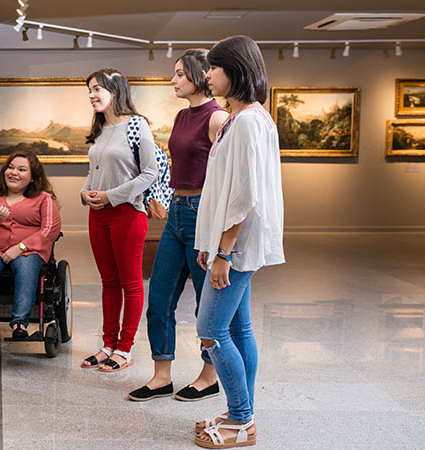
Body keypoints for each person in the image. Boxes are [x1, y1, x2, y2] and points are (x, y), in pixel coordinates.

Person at [193, 36, 285, 448]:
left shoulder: (248, 121)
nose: (207, 75)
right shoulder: (247, 117)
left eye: (213, 68)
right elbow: (226, 188)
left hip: (238, 247)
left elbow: (244, 196)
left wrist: (223, 252)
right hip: (231, 243)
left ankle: (241, 419)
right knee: (239, 328)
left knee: (211, 331)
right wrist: (209, 242)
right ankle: (240, 414)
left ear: (235, 70)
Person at [129, 49, 229, 402]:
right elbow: (171, 166)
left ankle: (209, 375)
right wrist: (160, 195)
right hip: (176, 211)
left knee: (208, 304)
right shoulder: (183, 117)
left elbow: (228, 177)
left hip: (203, 211)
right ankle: (161, 375)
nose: (173, 80)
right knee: (159, 297)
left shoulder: (217, 119)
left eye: (180, 75)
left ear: (201, 76)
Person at [79, 68, 158, 372]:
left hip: (127, 213)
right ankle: (107, 344)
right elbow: (94, 172)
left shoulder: (137, 126)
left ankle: (124, 348)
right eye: (89, 90)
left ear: (116, 90)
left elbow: (149, 173)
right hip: (97, 215)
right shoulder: (99, 128)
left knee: (130, 282)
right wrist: (85, 192)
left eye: (97, 89)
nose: (91, 95)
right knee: (108, 282)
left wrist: (112, 195)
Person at [0, 150, 61, 338]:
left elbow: (50, 229)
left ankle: (20, 323)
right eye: (10, 167)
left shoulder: (44, 199)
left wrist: (20, 247)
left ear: (33, 177)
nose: (13, 172)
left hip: (28, 251)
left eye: (21, 169)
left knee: (26, 265)